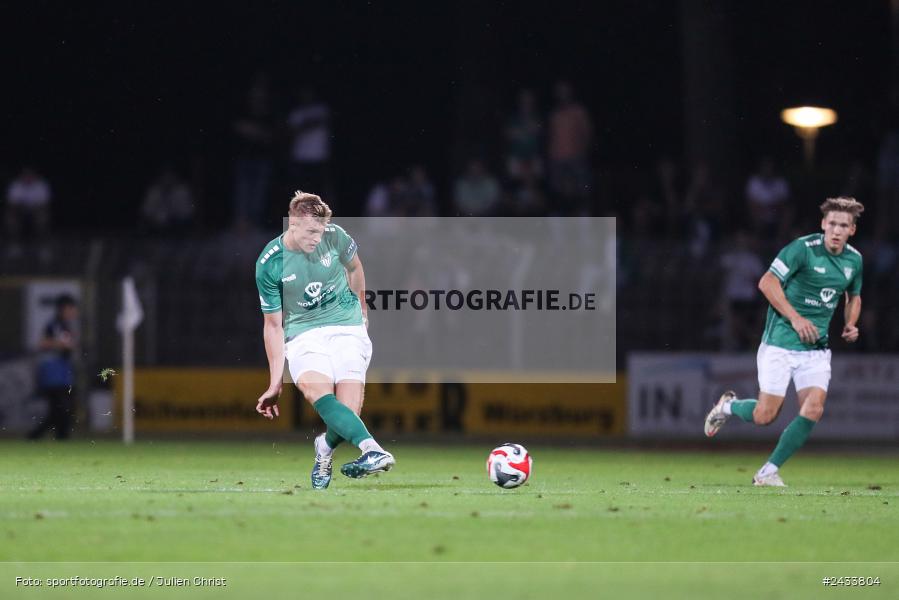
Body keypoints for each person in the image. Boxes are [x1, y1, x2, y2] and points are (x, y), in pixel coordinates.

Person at [704, 197, 865, 486]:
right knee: (765, 415)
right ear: (823, 225)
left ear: (852, 229)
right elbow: (767, 282)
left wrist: (851, 323)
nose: (837, 230)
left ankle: (768, 471)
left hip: (816, 350)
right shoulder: (802, 249)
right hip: (779, 343)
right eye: (832, 224)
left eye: (843, 225)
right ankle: (727, 407)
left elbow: (853, 296)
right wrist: (795, 317)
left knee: (813, 409)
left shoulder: (854, 260)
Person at [254, 191, 394, 489]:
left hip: (347, 327)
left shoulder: (336, 236)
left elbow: (355, 267)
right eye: (309, 232)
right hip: (303, 334)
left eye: (319, 231)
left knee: (347, 413)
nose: (316, 239)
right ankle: (372, 450)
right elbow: (273, 326)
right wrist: (275, 381)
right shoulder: (270, 262)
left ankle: (325, 448)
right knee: (314, 390)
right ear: (291, 225)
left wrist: (363, 308)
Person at [28, 294, 78, 440]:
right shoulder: (54, 324)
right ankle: (40, 436)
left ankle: (55, 437)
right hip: (53, 371)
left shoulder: (65, 325)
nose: (74, 312)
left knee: (61, 408)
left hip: (63, 371)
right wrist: (62, 344)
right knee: (60, 407)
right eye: (72, 308)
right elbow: (42, 343)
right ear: (64, 309)